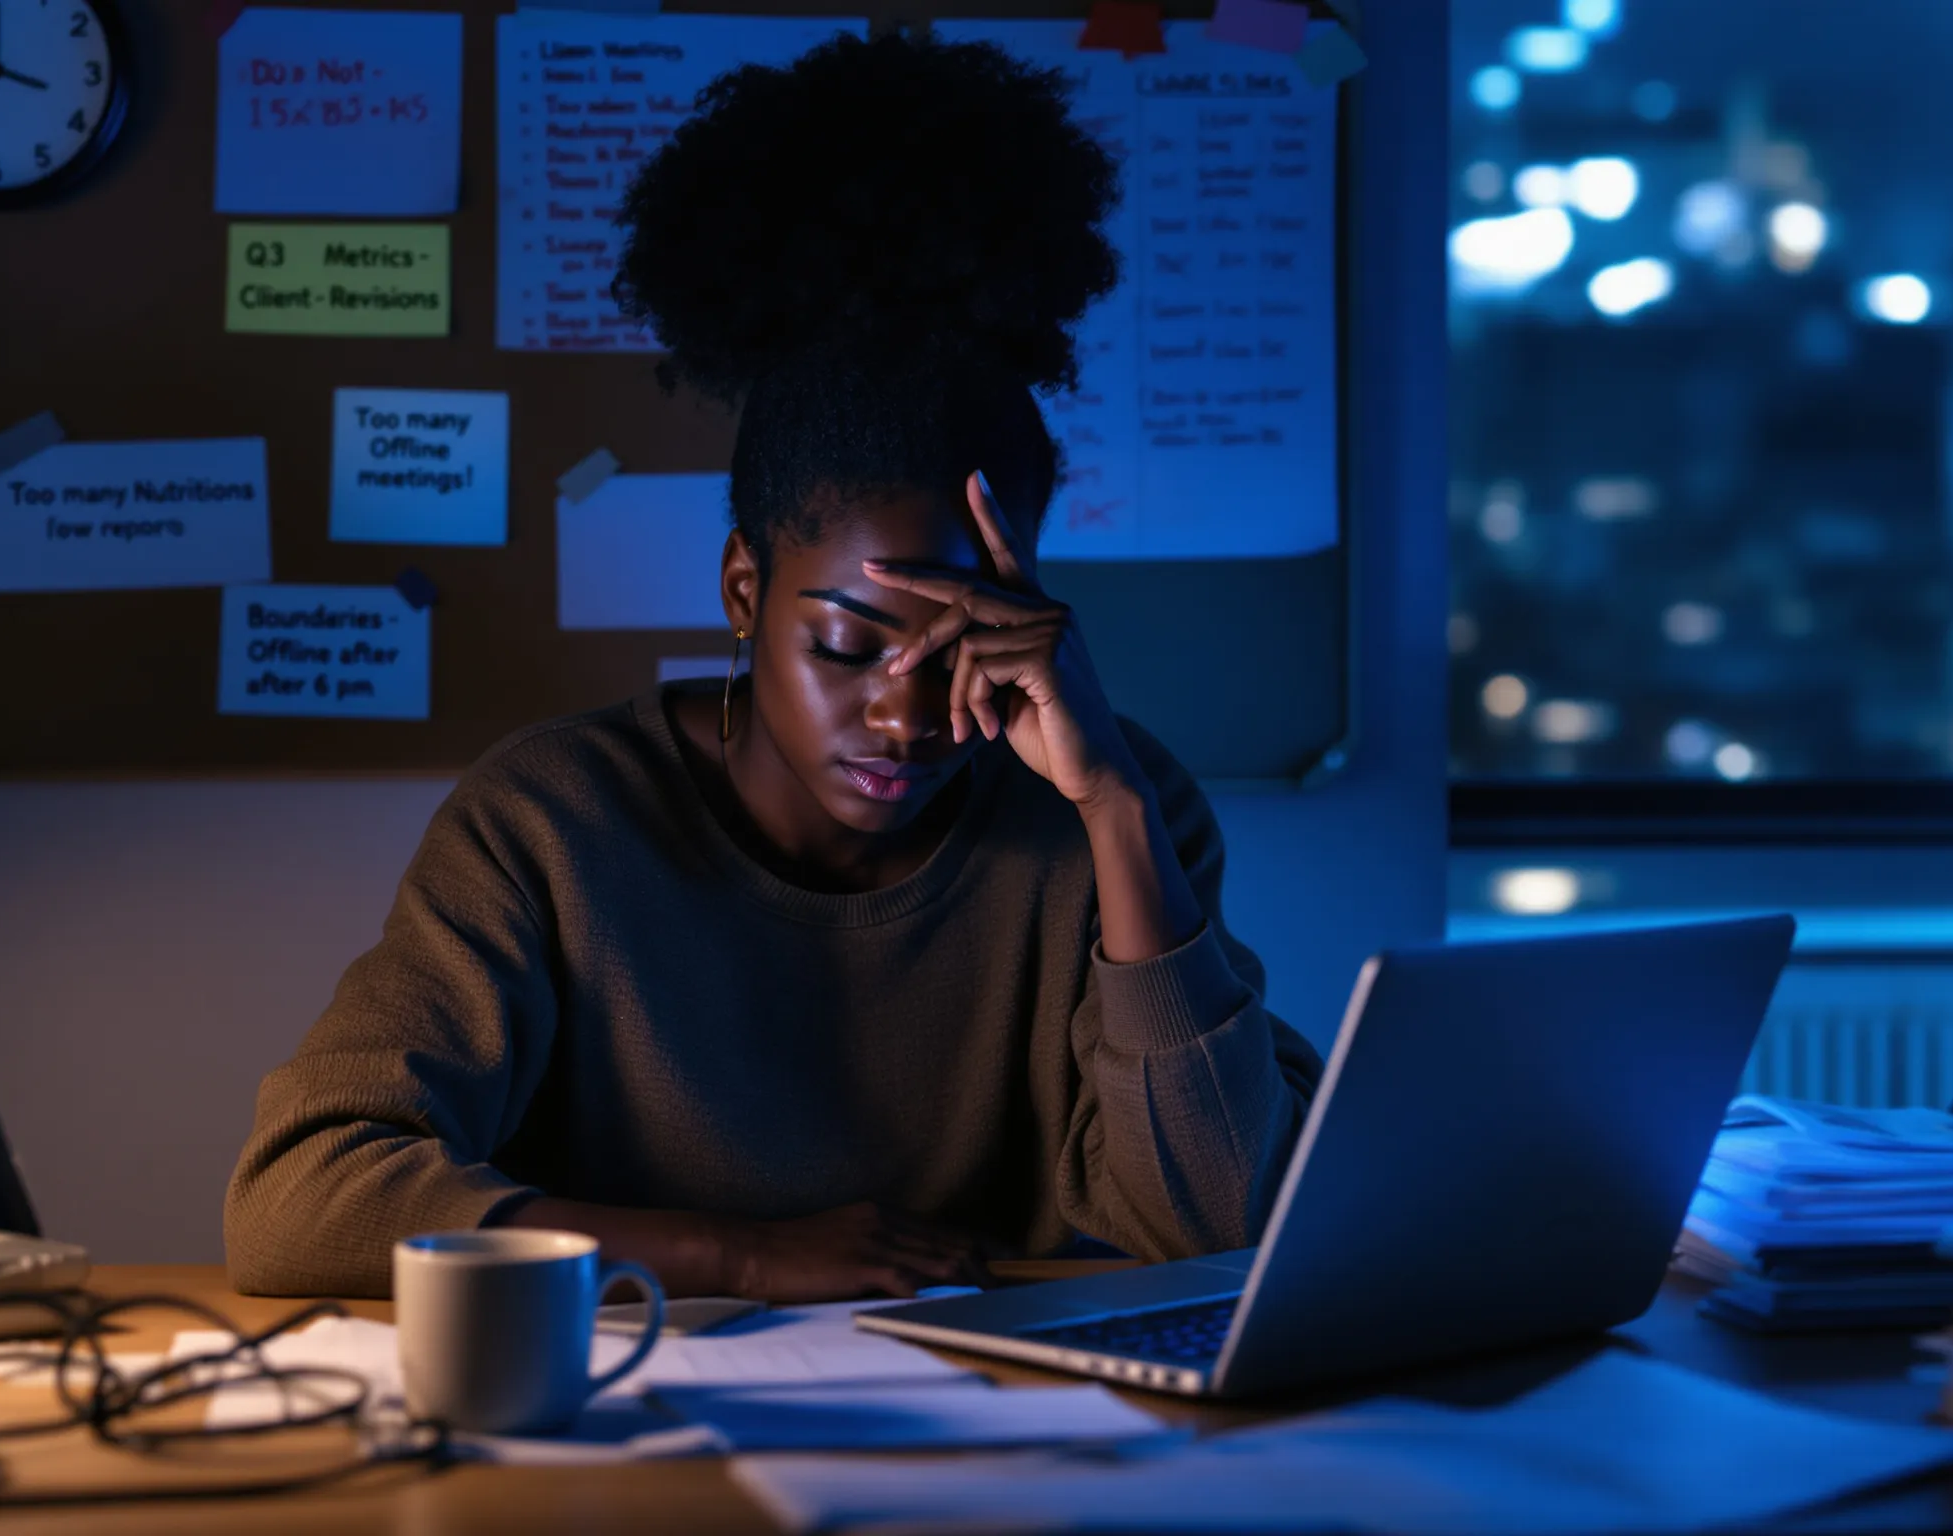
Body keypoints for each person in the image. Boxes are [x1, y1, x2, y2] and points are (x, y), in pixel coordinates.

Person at [226, 33, 1322, 1301]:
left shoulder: (1120, 811)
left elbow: (1213, 1222)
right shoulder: (552, 821)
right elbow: (296, 1207)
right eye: (848, 645)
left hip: (1004, 1442)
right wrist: (732, 1254)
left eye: (960, 648)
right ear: (745, 590)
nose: (907, 715)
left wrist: (1117, 815)